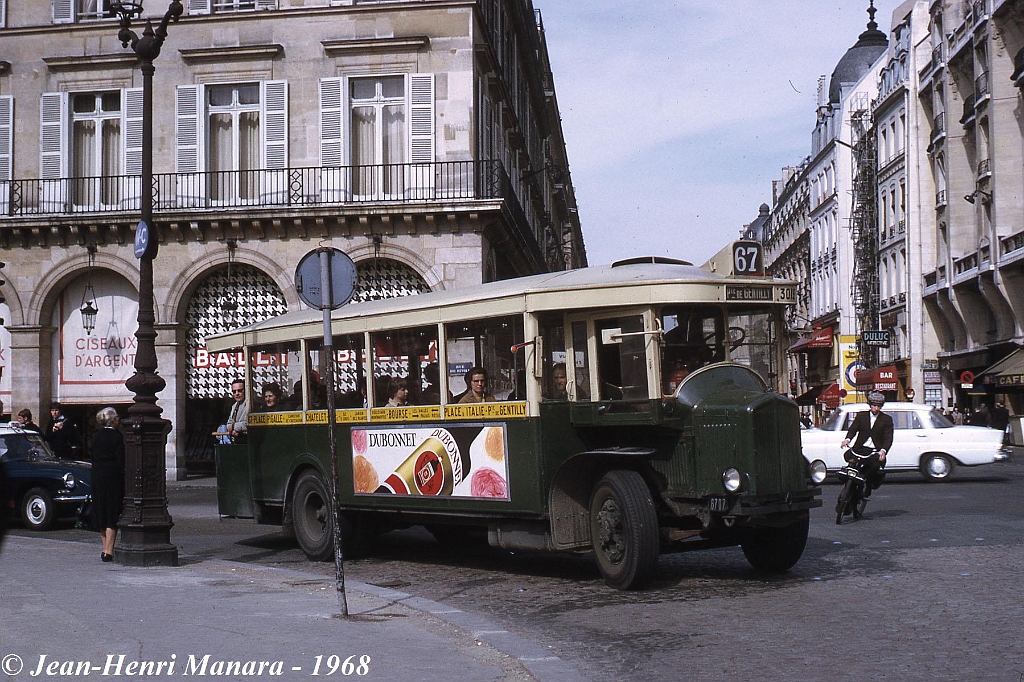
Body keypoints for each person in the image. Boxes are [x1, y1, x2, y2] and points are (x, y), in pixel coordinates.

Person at [840, 391, 893, 497]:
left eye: (878, 406)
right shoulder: (861, 416)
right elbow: (853, 429)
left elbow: (888, 437)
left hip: (874, 452)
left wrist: (883, 450)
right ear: (870, 405)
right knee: (850, 461)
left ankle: (867, 486)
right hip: (860, 449)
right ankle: (847, 488)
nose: (876, 408)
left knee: (874, 467)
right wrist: (847, 439)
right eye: (874, 405)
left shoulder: (886, 419)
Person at [90, 407, 125, 562]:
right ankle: (109, 551)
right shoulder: (117, 437)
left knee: (101, 510)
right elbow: (121, 460)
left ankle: (104, 547)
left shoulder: (95, 436)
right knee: (112, 511)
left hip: (97, 475)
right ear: (114, 420)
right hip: (112, 477)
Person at [224, 378, 249, 444]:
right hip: (237, 441)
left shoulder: (250, 404)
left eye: (239, 391)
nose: (237, 393)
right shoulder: (234, 406)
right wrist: (231, 429)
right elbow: (229, 422)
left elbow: (249, 423)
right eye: (234, 391)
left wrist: (233, 427)